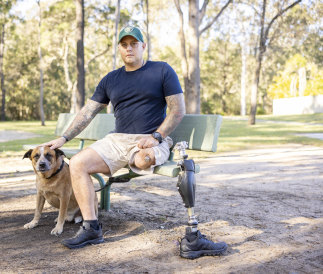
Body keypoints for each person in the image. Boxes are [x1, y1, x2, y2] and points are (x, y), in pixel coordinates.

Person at [45, 26, 227, 258]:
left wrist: (156, 137)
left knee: (142, 161)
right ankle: (91, 228)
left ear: (143, 46)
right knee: (78, 163)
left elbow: (177, 110)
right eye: (124, 44)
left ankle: (192, 232)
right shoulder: (111, 79)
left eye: (134, 43)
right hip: (117, 140)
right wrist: (64, 137)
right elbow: (88, 112)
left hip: (151, 138)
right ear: (119, 48)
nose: (129, 48)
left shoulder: (161, 70)